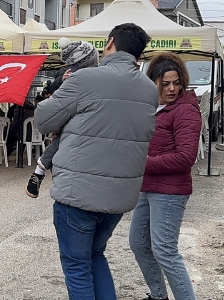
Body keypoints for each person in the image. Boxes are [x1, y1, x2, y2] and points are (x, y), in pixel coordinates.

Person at [34, 23, 159, 299]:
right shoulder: (149, 89)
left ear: (110, 42)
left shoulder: (86, 79)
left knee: (77, 266)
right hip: (119, 197)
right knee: (95, 256)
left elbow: (43, 120)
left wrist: (61, 89)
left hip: (78, 193)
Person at [129, 53, 201, 300]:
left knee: (165, 251)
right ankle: (158, 295)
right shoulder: (152, 108)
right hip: (146, 186)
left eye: (176, 82)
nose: (172, 88)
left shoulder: (185, 110)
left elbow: (185, 157)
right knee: (139, 244)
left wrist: (144, 163)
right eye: (165, 83)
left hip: (170, 192)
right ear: (154, 83)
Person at [26, 38, 99, 198]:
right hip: (69, 117)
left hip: (79, 120)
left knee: (63, 141)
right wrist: (62, 81)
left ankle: (39, 170)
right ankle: (40, 171)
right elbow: (51, 91)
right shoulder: (68, 72)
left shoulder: (95, 75)